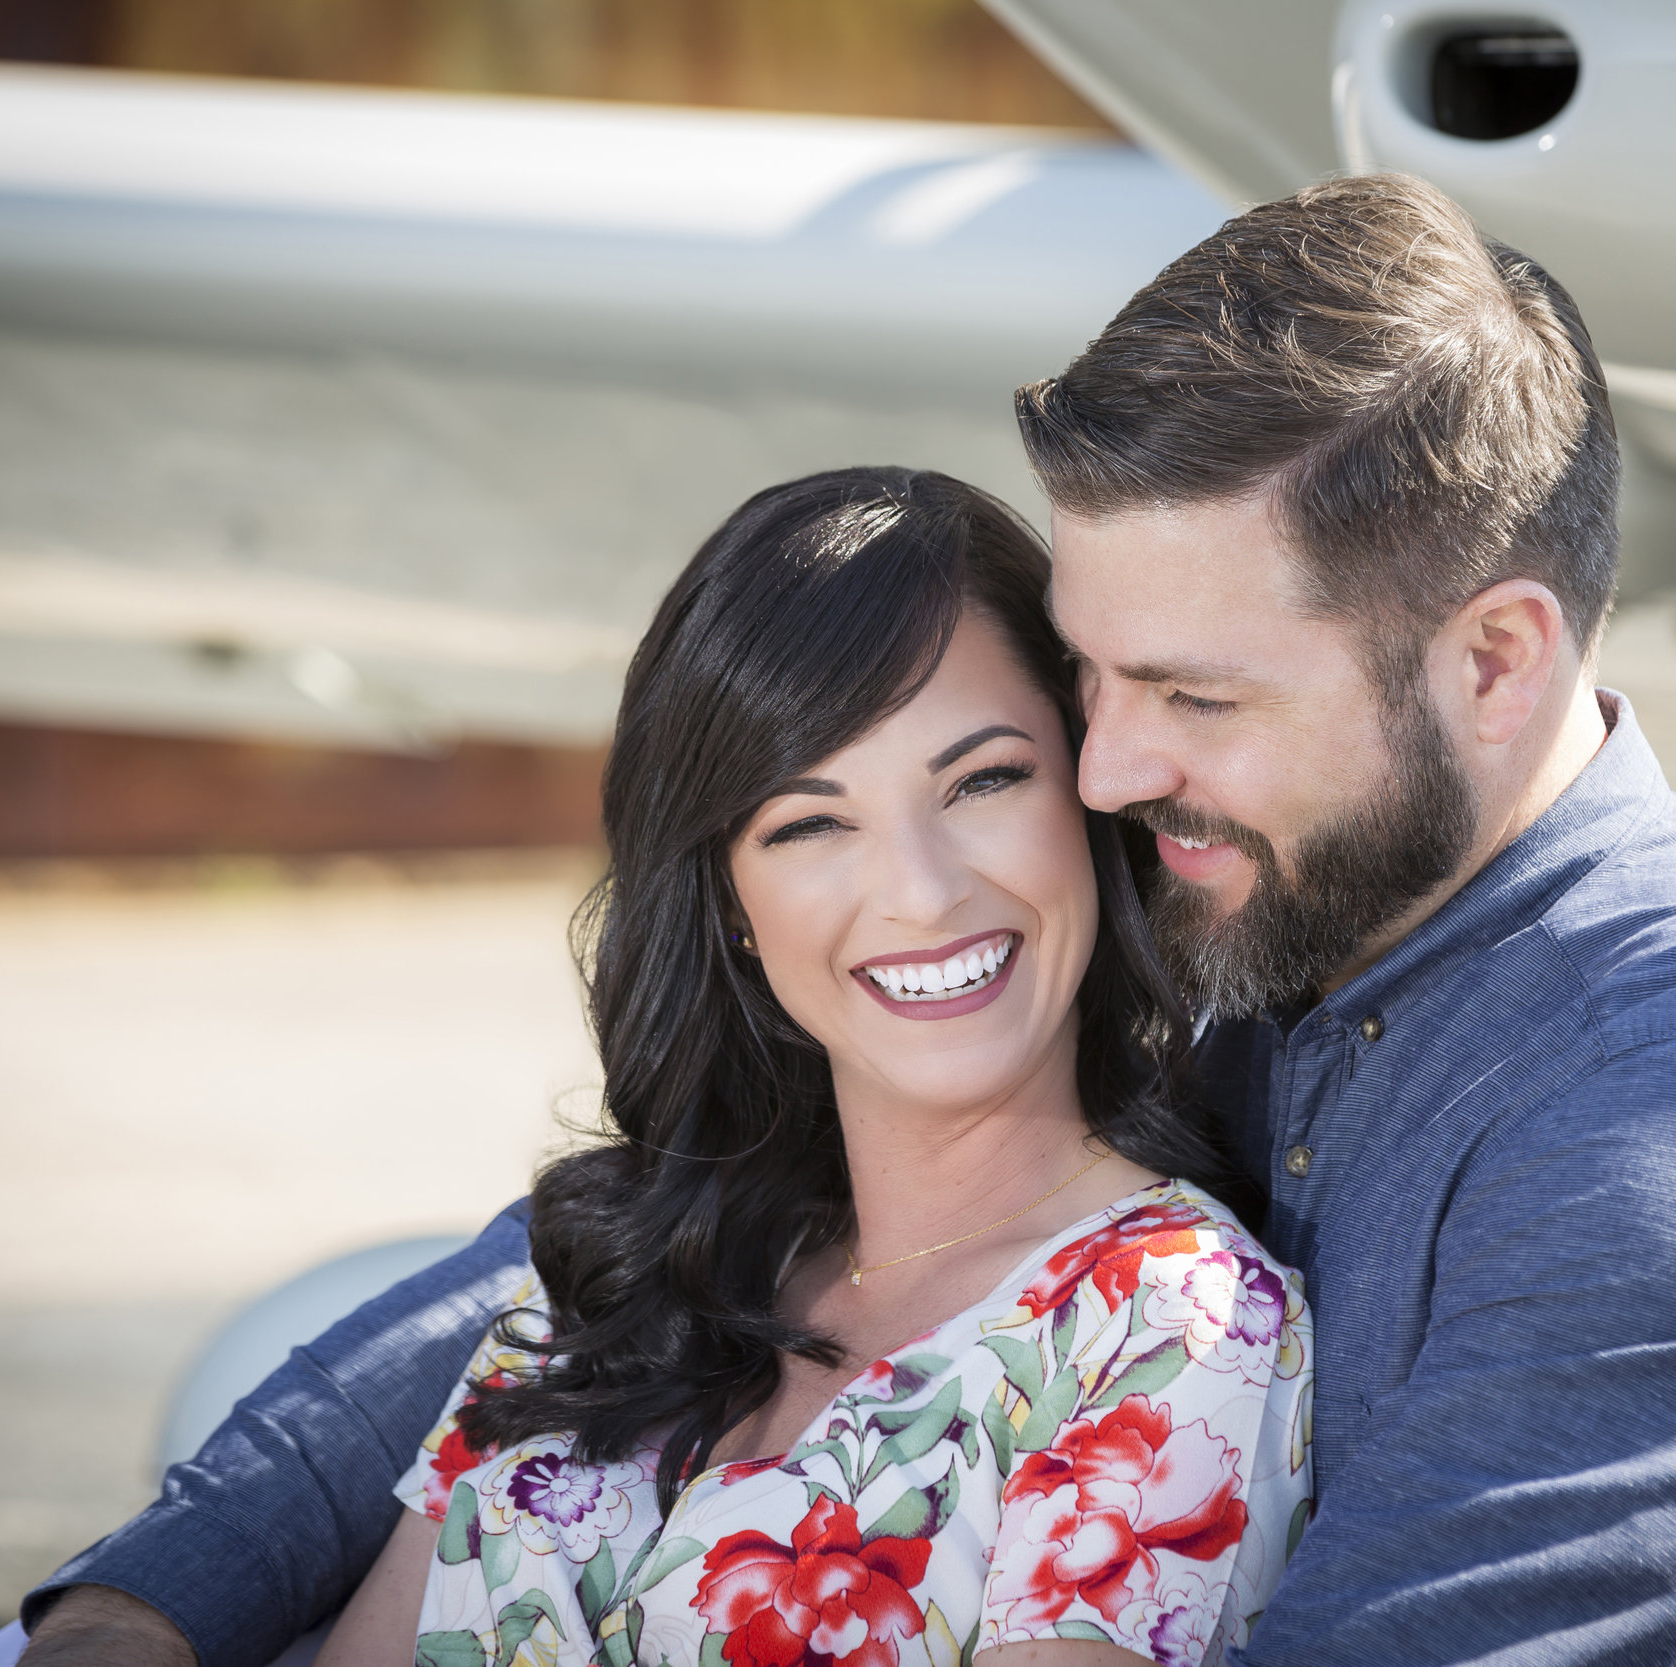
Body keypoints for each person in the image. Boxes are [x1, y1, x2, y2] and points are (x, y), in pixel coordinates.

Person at [17, 176, 1676, 1667]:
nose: (1094, 769)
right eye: (1092, 676)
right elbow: (638, 1233)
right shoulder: (1273, 897)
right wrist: (127, 1610)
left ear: (1494, 657)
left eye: (1198, 695)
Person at [306, 466, 1304, 1667]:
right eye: (810, 822)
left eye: (983, 779)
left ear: (1088, 799)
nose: (923, 892)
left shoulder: (1167, 1322)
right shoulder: (613, 1271)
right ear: (728, 898)